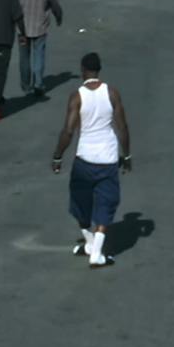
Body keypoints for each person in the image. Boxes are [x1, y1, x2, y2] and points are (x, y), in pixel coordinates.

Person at [49, 51, 132, 269]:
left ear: (83, 71)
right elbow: (122, 127)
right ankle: (94, 249)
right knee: (106, 203)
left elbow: (68, 131)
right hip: (108, 158)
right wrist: (127, 155)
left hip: (84, 158)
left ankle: (90, 244)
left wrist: (58, 156)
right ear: (99, 70)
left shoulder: (77, 96)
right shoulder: (112, 93)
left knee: (80, 202)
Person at [15, 0, 64, 98]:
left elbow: (13, 7)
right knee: (39, 55)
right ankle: (38, 83)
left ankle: (25, 84)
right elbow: (55, 5)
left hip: (22, 28)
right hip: (39, 27)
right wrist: (58, 17)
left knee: (24, 58)